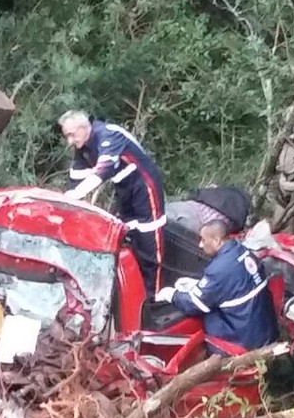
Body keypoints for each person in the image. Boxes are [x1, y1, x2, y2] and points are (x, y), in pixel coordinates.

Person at [58, 110, 166, 295]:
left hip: (144, 185)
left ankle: (153, 298)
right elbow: (75, 180)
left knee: (149, 238)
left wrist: (75, 195)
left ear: (84, 128)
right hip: (123, 189)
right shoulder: (82, 148)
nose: (70, 141)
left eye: (72, 135)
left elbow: (104, 170)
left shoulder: (108, 134)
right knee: (125, 235)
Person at [155, 220, 278, 354]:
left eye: (203, 239)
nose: (200, 245)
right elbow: (229, 286)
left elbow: (196, 304)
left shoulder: (219, 269)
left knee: (207, 314)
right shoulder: (241, 250)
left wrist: (172, 295)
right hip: (265, 331)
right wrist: (197, 285)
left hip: (243, 339)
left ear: (217, 240)